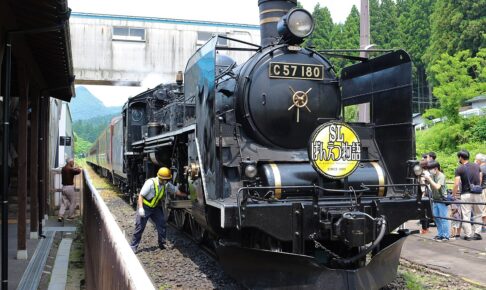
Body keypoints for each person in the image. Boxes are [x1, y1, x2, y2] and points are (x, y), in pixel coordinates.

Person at [130, 167, 186, 252]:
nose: (166, 181)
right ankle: (133, 247)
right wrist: (141, 208)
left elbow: (175, 191)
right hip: (145, 207)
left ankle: (162, 244)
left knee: (162, 223)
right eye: (165, 179)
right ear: (161, 178)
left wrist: (186, 195)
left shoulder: (166, 184)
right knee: (140, 227)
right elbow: (140, 196)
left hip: (155, 208)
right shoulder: (150, 183)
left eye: (167, 179)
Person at [452, 150, 483, 240]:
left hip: (466, 194)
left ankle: (468, 235)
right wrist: (476, 187)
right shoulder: (477, 166)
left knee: (466, 214)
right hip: (477, 193)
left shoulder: (459, 168)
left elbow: (456, 184)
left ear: (461, 158)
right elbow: (480, 179)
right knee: (478, 213)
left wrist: (453, 195)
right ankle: (477, 233)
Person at [424, 161, 450, 241]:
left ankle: (446, 236)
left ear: (436, 168)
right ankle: (440, 234)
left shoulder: (441, 176)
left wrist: (429, 179)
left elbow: (437, 187)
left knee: (443, 218)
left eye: (430, 169)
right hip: (435, 199)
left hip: (441, 200)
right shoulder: (432, 175)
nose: (429, 171)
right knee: (436, 217)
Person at [474, 153, 486, 232]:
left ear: (479, 160)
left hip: (482, 189)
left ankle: (483, 225)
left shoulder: (480, 168)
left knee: (482, 208)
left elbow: (479, 180)